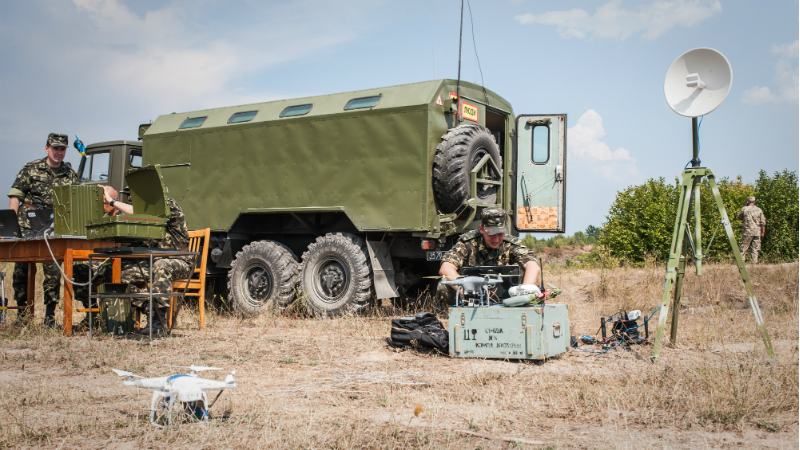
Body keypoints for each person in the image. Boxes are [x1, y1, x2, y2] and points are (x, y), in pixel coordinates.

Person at [8, 133, 79, 327]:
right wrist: (12, 223)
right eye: (55, 148)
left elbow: (76, 200)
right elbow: (16, 196)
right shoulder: (31, 169)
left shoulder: (70, 173)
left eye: (62, 149)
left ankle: (49, 316)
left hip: (53, 229)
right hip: (28, 228)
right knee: (21, 271)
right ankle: (23, 316)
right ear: (46, 148)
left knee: (53, 272)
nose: (58, 152)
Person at [103, 186, 192, 336]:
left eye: (135, 198)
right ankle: (149, 308)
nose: (132, 201)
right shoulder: (144, 214)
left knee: (161, 265)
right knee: (117, 271)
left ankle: (158, 323)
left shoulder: (167, 205)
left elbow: (140, 212)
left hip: (179, 260)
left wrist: (112, 202)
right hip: (152, 260)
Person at [438, 207, 541, 303]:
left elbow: (532, 265)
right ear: (482, 229)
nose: (496, 240)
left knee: (531, 282)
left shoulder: (510, 243)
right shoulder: (467, 242)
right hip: (471, 293)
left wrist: (525, 289)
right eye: (491, 234)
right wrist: (466, 288)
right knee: (443, 285)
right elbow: (446, 268)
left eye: (500, 234)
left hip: (505, 291)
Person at [72, 186, 120, 330]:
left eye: (106, 201)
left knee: (107, 271)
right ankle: (92, 314)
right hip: (96, 259)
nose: (103, 204)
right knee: (78, 269)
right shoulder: (94, 216)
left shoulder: (119, 217)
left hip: (113, 261)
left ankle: (109, 318)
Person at [737, 196, 766, 263]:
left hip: (747, 232)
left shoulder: (744, 209)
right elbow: (763, 222)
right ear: (754, 201)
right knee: (755, 249)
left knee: (743, 248)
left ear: (747, 201)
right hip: (757, 232)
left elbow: (738, 217)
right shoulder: (759, 209)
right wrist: (763, 232)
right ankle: (754, 264)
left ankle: (741, 264)